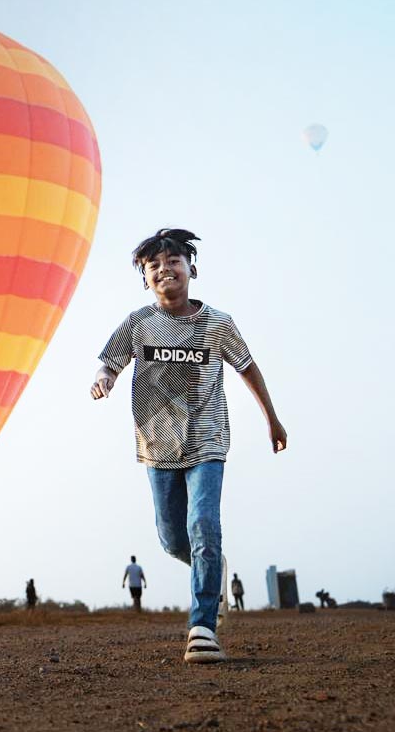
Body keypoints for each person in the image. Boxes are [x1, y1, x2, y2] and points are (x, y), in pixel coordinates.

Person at [92, 229, 287, 664]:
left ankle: (202, 628)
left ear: (190, 268)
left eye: (174, 261)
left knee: (203, 526)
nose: (165, 269)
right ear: (146, 278)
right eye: (154, 265)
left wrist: (271, 419)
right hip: (158, 445)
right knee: (172, 539)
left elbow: (248, 369)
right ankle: (210, 568)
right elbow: (111, 361)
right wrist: (105, 379)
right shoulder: (138, 322)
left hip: (208, 441)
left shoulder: (217, 323)